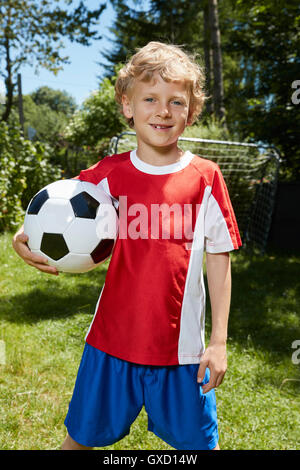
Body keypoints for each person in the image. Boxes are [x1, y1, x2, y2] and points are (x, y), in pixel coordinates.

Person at [12, 42, 242, 451]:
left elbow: (219, 260)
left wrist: (219, 342)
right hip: (110, 343)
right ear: (127, 106)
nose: (163, 111)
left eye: (176, 101)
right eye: (150, 98)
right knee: (79, 439)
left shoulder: (206, 178)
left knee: (200, 447)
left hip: (182, 351)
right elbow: (53, 212)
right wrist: (21, 239)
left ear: (191, 112)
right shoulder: (107, 176)